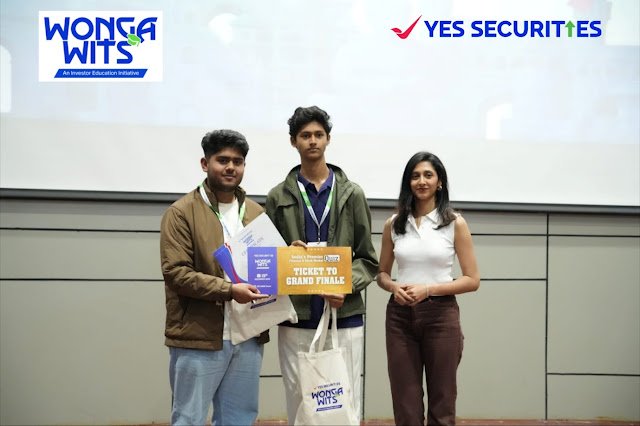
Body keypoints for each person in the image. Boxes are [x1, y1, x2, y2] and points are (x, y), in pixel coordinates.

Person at [265, 106, 378, 424]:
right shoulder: (277, 197)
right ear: (294, 142)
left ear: (328, 139)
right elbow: (266, 261)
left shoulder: (352, 194)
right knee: (300, 402)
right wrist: (286, 255)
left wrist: (345, 284)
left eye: (318, 134)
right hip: (296, 316)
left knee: (345, 404)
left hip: (344, 316)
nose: (312, 141)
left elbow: (368, 260)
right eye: (305, 135)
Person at [160, 129, 269, 426]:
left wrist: (290, 258)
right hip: (199, 337)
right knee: (189, 419)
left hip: (247, 336)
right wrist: (229, 290)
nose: (231, 167)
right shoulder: (181, 212)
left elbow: (267, 268)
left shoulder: (256, 213)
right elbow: (176, 273)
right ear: (205, 163)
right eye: (223, 160)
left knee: (240, 419)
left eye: (238, 161)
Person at [377, 151, 480, 426]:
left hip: (440, 316)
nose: (421, 181)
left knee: (442, 401)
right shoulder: (394, 224)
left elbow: (472, 280)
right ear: (408, 183)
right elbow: (382, 274)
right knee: (405, 403)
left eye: (428, 175)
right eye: (415, 176)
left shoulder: (454, 222)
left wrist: (429, 289)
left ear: (439, 182)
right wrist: (392, 286)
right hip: (399, 317)